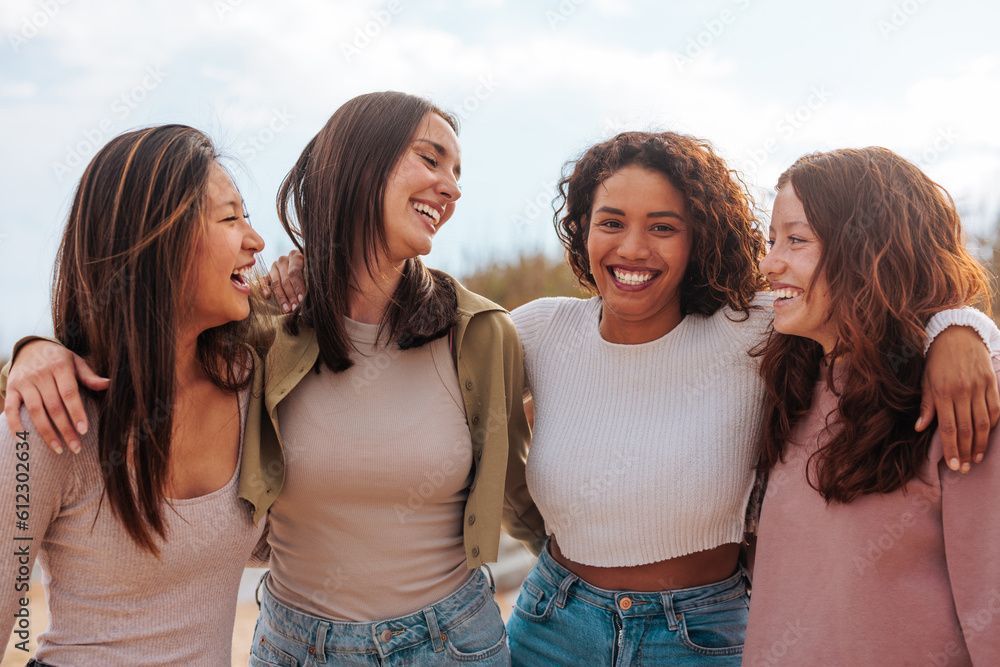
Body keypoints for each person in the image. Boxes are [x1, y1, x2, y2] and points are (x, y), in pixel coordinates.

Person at [261, 130, 1000, 665]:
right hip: (553, 624)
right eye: (611, 223)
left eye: (663, 227)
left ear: (696, 238)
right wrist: (312, 273)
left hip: (705, 633)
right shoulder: (536, 332)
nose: (633, 248)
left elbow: (880, 301)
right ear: (580, 231)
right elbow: (391, 337)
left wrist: (960, 329)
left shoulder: (756, 329)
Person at [2, 92, 544, 665]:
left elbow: (519, 491)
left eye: (457, 172)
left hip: (450, 642)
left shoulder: (474, 336)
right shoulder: (263, 341)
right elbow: (140, 336)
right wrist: (34, 352)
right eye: (430, 159)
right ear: (360, 165)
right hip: (294, 646)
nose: (452, 187)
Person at [0, 124, 268, 665]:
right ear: (160, 241)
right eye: (230, 217)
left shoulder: (252, 382)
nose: (255, 239)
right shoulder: (51, 422)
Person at [743, 147, 1000, 665]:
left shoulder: (961, 400)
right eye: (772, 241)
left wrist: (960, 326)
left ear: (869, 250)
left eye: (797, 240)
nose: (769, 263)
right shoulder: (789, 382)